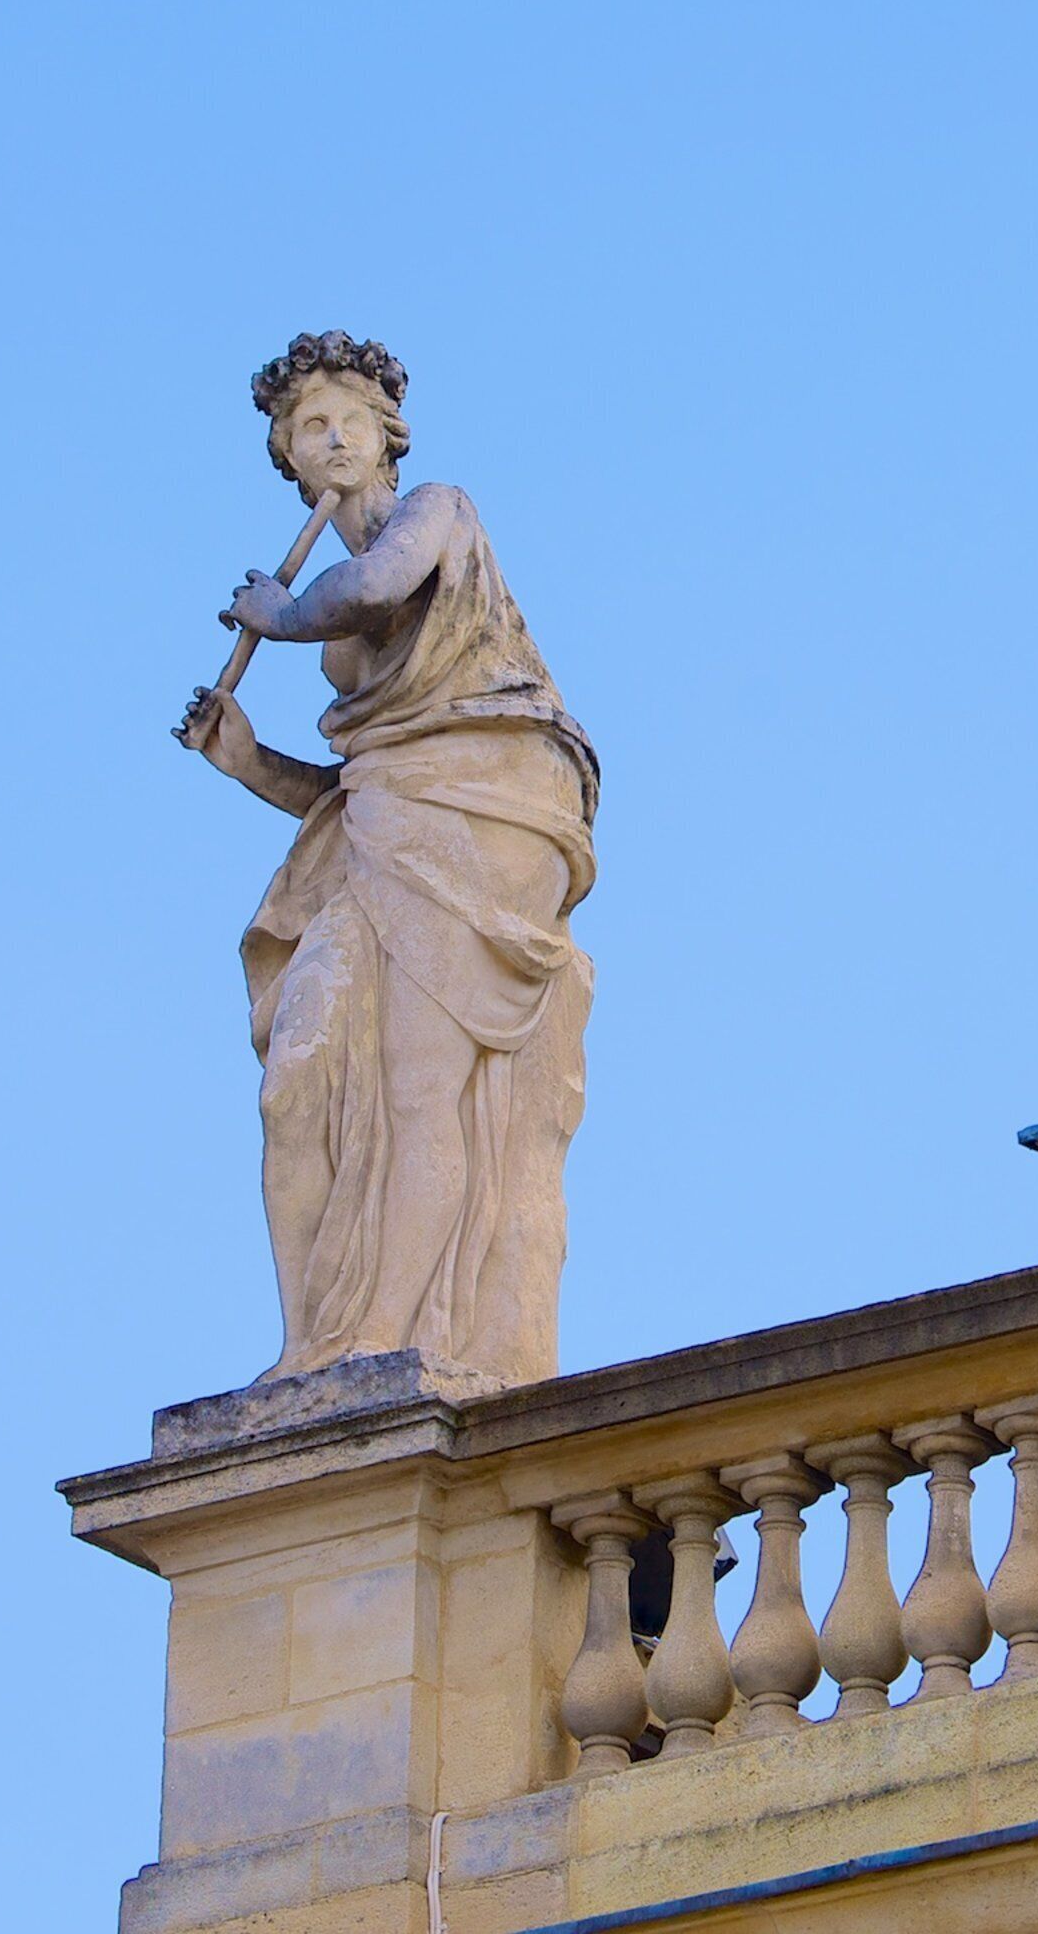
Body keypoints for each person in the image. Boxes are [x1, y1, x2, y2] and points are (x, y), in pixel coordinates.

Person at [177, 332, 596, 1385]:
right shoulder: (336, 630)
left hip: (497, 801)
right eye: (306, 431)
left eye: (343, 422)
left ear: (384, 437)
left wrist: (274, 617)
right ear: (291, 458)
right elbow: (352, 793)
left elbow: (370, 590)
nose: (328, 442)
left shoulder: (433, 515)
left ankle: (387, 1344)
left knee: (423, 1091)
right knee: (300, 1076)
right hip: (387, 828)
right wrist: (248, 764)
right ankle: (307, 1347)